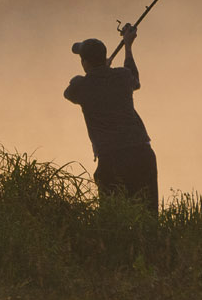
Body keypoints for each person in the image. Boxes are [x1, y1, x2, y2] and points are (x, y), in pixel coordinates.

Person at [64, 24, 158, 211]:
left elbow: (68, 93)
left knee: (112, 218)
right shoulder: (122, 77)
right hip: (141, 153)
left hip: (111, 159)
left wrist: (98, 72)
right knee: (148, 215)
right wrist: (128, 47)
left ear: (85, 63)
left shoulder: (80, 86)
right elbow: (134, 79)